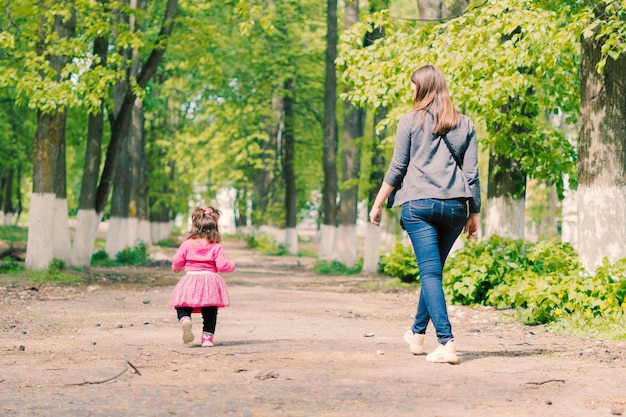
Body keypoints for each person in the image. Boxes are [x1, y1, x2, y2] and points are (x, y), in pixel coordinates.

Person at [369, 64, 481, 364]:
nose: (411, 90)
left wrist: (378, 202)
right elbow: (472, 175)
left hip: (419, 205)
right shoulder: (466, 124)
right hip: (456, 207)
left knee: (430, 273)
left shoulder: (409, 121)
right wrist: (475, 213)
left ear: (422, 87)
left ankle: (447, 342)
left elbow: (397, 167)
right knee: (433, 273)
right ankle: (417, 335)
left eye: (413, 85)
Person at [168, 207, 236, 347]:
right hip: (210, 279)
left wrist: (176, 268)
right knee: (210, 309)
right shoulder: (216, 247)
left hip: (191, 278)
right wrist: (231, 265)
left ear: (195, 228)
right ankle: (207, 338)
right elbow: (223, 266)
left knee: (183, 304)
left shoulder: (187, 244)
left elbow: (177, 260)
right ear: (214, 229)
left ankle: (185, 319)